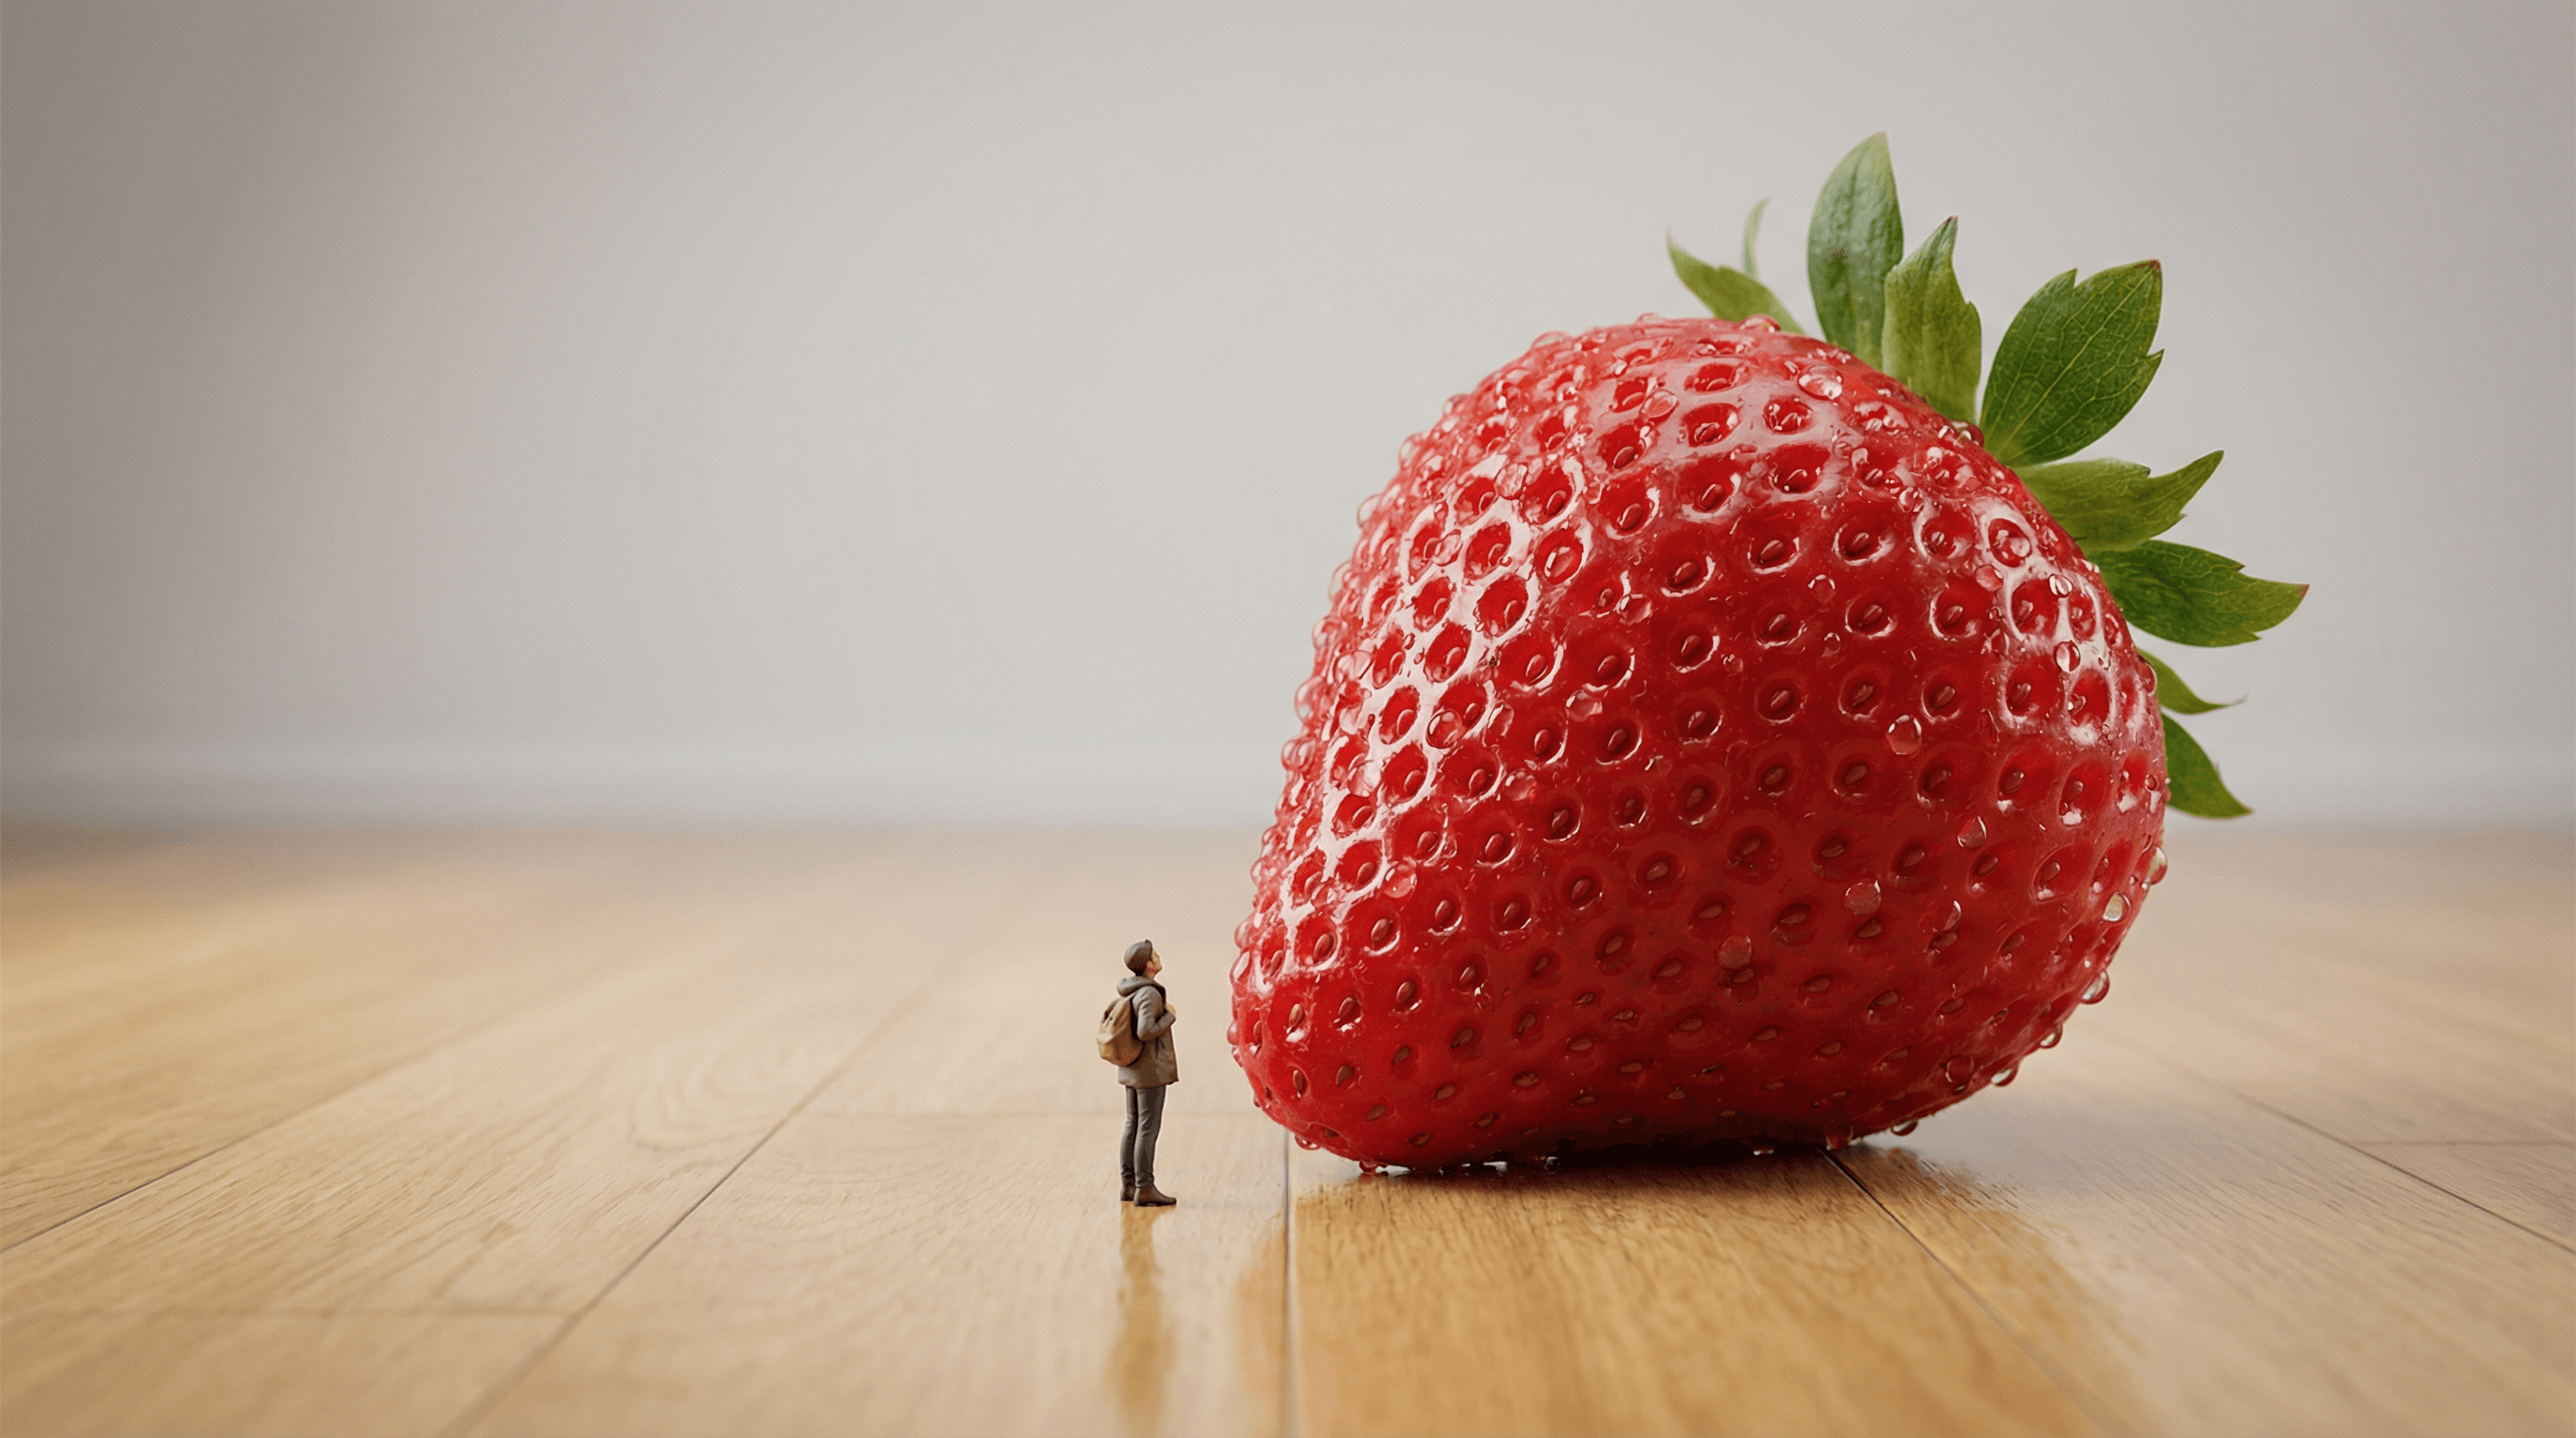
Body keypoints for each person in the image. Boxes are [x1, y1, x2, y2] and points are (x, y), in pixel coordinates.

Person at [1115, 939, 1178, 1206]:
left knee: (1132, 1125)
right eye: (1155, 955)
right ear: (1149, 966)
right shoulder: (1150, 994)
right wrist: (1169, 1016)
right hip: (1149, 1070)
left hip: (1132, 1068)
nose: (1159, 956)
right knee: (1148, 1128)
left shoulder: (1131, 991)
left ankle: (1129, 1185)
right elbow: (1145, 1031)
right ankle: (1145, 1187)